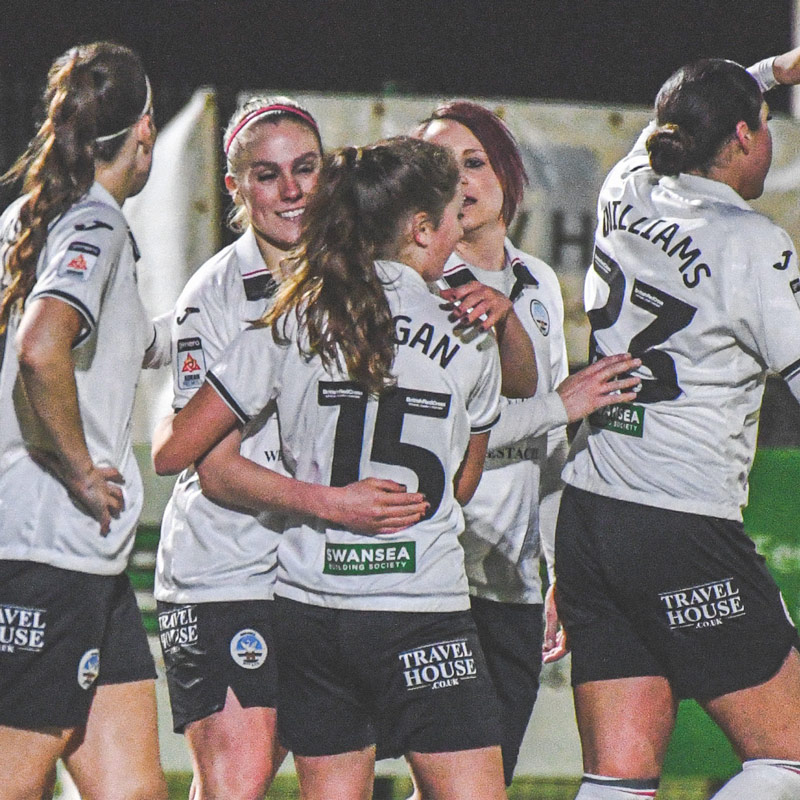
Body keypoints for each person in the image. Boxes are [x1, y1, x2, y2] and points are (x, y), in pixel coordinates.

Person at [153, 135, 521, 800]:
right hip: (419, 609)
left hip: (310, 610)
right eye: (448, 223)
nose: (453, 238)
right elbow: (460, 487)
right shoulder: (469, 333)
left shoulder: (294, 314)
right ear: (419, 228)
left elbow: (179, 453)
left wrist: (326, 500)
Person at [556, 49, 800, 799]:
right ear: (741, 138)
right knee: (788, 759)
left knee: (620, 776)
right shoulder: (753, 244)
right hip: (681, 524)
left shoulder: (626, 185)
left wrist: (776, 73)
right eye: (764, 129)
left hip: (591, 515)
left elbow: (686, 105)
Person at [416, 100, 641, 786]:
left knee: (491, 775)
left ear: (509, 173)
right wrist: (559, 403)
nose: (460, 180)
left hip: (511, 581)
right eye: (440, 168)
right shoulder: (421, 288)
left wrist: (554, 569)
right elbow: (452, 434)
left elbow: (548, 449)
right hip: (440, 572)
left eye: (474, 161)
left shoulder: (538, 282)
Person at [0, 42, 168, 799]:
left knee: (132, 789)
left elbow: (100, 345)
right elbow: (42, 348)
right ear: (144, 132)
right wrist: (75, 468)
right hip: (46, 549)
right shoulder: (94, 227)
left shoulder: (25, 219)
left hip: (85, 564)